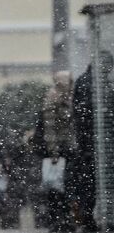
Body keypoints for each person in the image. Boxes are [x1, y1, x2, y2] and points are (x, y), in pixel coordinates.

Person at [72, 51, 114, 233]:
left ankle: (88, 219)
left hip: (88, 143)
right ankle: (92, 219)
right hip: (97, 142)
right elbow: (96, 113)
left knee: (88, 182)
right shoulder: (96, 83)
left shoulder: (83, 80)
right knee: (96, 182)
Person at [35, 71, 76, 233]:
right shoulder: (53, 99)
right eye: (68, 81)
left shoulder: (66, 97)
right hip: (59, 152)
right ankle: (59, 222)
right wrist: (54, 153)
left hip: (66, 151)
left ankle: (64, 220)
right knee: (56, 188)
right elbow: (50, 130)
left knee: (63, 187)